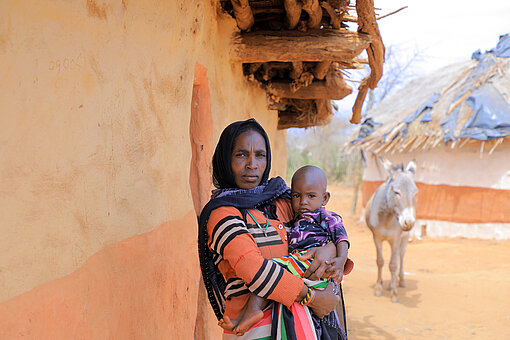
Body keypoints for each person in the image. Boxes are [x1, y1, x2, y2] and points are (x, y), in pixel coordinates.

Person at [198, 118, 349, 339]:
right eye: (241, 154)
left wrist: (328, 250)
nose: (252, 164)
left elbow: (325, 228)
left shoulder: (285, 200)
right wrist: (313, 298)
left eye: (260, 155)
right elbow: (255, 271)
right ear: (225, 159)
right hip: (255, 330)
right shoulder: (221, 214)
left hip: (303, 324)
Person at [218, 165, 354, 336]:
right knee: (269, 274)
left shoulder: (326, 216)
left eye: (311, 196)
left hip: (307, 262)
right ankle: (251, 312)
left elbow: (341, 237)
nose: (303, 202)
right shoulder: (290, 210)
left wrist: (340, 258)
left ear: (325, 198)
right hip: (300, 266)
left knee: (271, 269)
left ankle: (252, 310)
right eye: (297, 196)